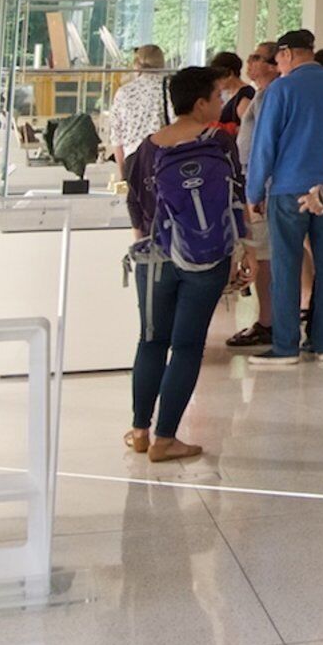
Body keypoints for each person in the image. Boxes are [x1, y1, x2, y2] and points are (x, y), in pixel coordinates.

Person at [123, 64, 246, 464]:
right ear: (199, 104)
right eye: (216, 96)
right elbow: (235, 196)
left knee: (151, 341)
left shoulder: (147, 147)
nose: (221, 101)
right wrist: (242, 248)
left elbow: (136, 206)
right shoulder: (219, 143)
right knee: (188, 345)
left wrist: (144, 244)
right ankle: (167, 438)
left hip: (155, 257)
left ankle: (140, 431)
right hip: (206, 256)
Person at [245, 27, 323, 360]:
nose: (277, 66)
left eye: (276, 58)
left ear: (288, 53)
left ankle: (285, 345)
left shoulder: (281, 89)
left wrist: (254, 191)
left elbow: (265, 145)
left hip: (288, 189)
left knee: (286, 267)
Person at [224, 45, 280, 348]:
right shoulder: (262, 94)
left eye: (258, 57)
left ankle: (268, 321)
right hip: (252, 180)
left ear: (273, 65)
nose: (250, 61)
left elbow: (264, 144)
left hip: (262, 185)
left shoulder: (271, 95)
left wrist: (256, 188)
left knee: (264, 253)